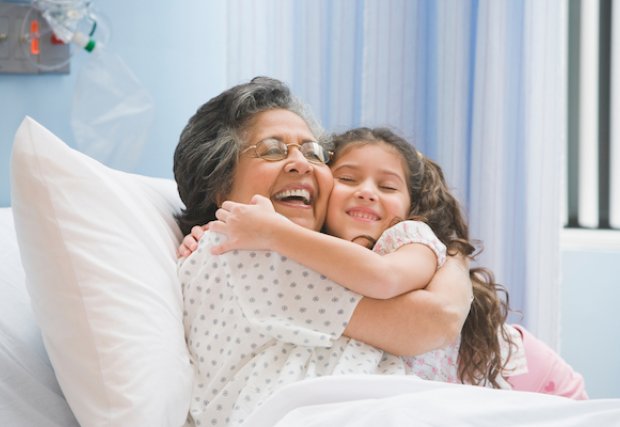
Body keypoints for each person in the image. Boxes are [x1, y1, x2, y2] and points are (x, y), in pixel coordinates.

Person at [180, 126, 589, 400]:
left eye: (388, 186)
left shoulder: (409, 240)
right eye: (347, 178)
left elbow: (385, 280)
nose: (366, 193)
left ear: (413, 203)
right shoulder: (307, 253)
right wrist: (210, 230)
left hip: (521, 372)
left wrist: (274, 232)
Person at [174, 77, 473, 426]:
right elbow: (431, 323)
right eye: (273, 150)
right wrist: (453, 257)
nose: (301, 164)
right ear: (220, 186)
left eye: (314, 153)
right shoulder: (244, 253)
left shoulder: (302, 251)